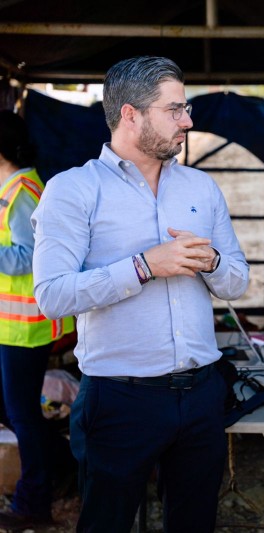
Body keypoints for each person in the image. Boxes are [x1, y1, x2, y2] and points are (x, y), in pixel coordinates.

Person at [31, 56, 249, 532]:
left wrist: (210, 261)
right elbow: (51, 296)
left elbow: (237, 282)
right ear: (130, 114)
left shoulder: (201, 188)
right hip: (119, 398)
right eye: (174, 110)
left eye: (186, 109)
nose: (187, 121)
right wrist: (144, 266)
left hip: (201, 394)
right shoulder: (73, 190)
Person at [0, 110, 76, 529]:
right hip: (11, 325)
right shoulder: (12, 186)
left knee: (23, 414)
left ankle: (33, 504)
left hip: (26, 328)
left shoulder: (24, 191)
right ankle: (67, 464)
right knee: (15, 411)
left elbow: (29, 256)